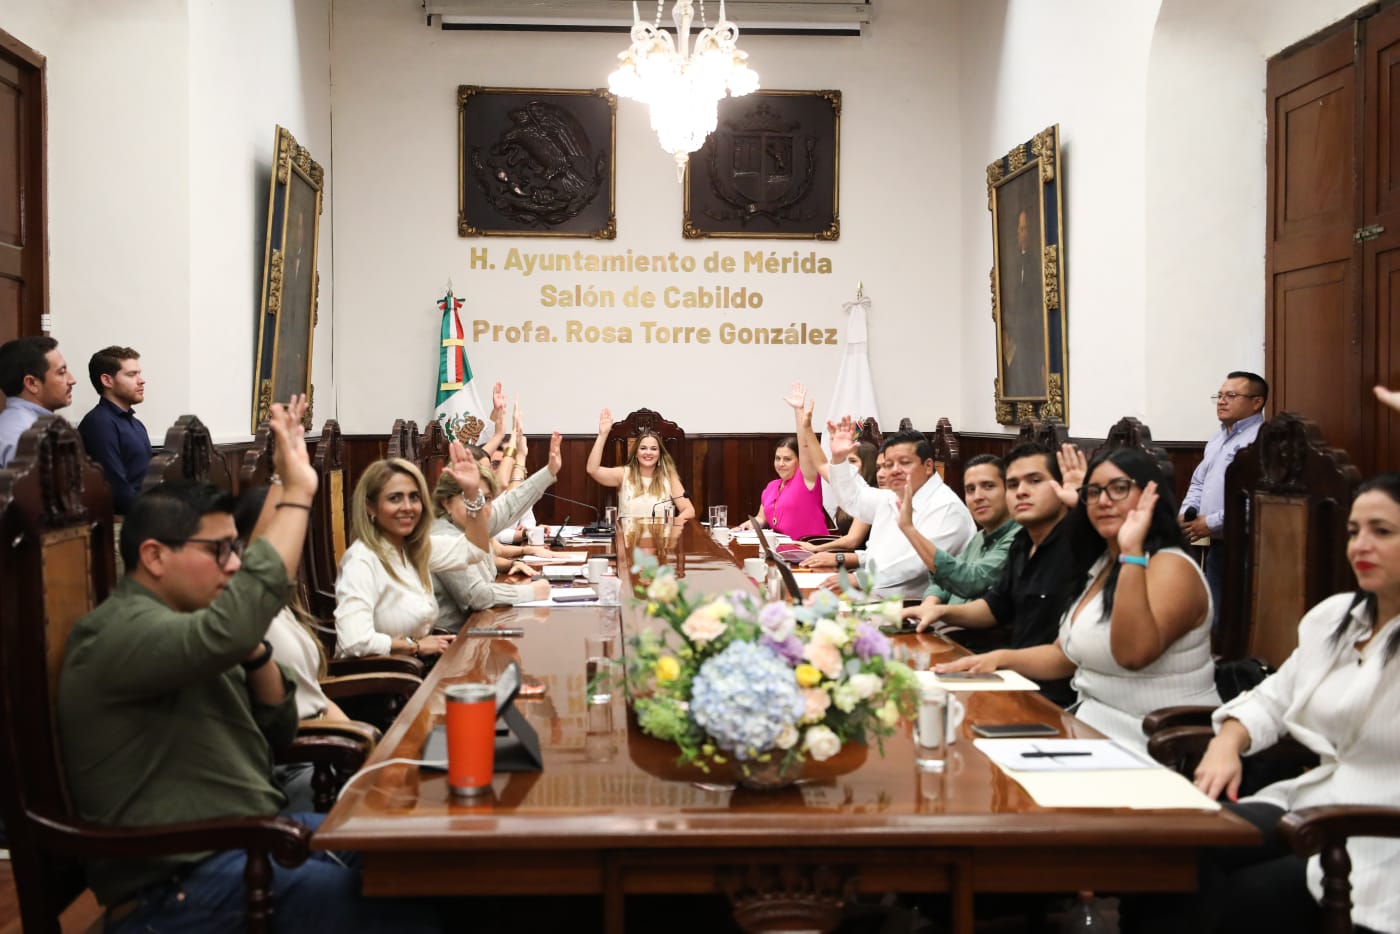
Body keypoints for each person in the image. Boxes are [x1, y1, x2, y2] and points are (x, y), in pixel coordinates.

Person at [57, 398, 440, 932]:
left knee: (424, 865)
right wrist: (297, 491)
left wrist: (255, 650)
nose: (234, 563)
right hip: (180, 879)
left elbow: (278, 726)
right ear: (153, 556)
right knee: (404, 913)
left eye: (237, 549)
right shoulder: (119, 633)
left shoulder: (193, 627)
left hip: (246, 837)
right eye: (219, 551)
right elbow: (245, 609)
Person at [1135, 474, 1400, 934]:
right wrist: (1226, 745)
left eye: (1382, 531)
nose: (1362, 545)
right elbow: (1273, 697)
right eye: (1355, 531)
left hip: (1379, 834)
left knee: (1238, 901)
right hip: (1312, 801)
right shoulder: (1336, 618)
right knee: (1169, 850)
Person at [937, 447, 1217, 751]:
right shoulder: (1102, 564)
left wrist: (1132, 553)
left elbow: (1133, 654)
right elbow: (1063, 656)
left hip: (1154, 742)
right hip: (1084, 726)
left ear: (1152, 495)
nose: (1104, 500)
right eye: (1094, 492)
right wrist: (997, 659)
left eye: (1119, 488)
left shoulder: (1170, 566)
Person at [913, 443, 1078, 707]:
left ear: (1062, 487)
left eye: (1034, 481)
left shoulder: (1077, 545)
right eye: (1013, 485)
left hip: (1055, 693)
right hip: (1015, 679)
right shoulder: (1024, 542)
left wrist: (999, 658)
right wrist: (941, 611)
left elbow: (1066, 658)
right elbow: (995, 607)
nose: (1021, 492)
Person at [334, 451, 488, 659]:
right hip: (386, 681)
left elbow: (475, 550)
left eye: (413, 497)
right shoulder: (361, 560)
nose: (407, 507)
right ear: (370, 507)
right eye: (395, 498)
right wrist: (413, 646)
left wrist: (471, 493)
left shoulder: (414, 549)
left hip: (418, 670)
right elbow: (354, 641)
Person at [804, 416, 975, 598]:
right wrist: (839, 460)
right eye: (889, 464)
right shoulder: (891, 497)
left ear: (928, 466)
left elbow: (918, 564)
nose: (894, 470)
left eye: (904, 462)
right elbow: (854, 498)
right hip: (874, 599)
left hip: (916, 612)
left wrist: (862, 578)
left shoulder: (946, 508)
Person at [431, 432, 568, 627]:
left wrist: (550, 471)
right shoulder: (443, 536)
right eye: (470, 498)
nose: (480, 507)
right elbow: (477, 596)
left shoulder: (474, 520)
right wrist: (532, 592)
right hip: (451, 644)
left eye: (486, 499)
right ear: (446, 502)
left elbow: (509, 505)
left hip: (479, 628)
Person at [1179, 370, 1267, 627]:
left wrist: (1212, 522)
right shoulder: (1218, 439)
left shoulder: (1262, 440)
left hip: (1248, 544)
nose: (1221, 401)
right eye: (1219, 395)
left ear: (1256, 402)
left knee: (1240, 620)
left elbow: (1258, 498)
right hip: (1218, 545)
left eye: (1231, 395)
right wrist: (1188, 512)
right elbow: (1198, 482)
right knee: (1216, 619)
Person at [901, 453, 1017, 621]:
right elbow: (945, 583)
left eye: (988, 486)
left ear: (1009, 490)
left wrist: (909, 529)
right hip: (940, 628)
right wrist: (929, 604)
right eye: (970, 489)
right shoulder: (979, 537)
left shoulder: (1018, 538)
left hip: (969, 639)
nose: (978, 497)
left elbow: (971, 580)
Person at [736, 383, 828, 539]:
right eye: (777, 458)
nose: (781, 463)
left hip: (813, 550)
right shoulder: (771, 487)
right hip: (782, 552)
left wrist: (798, 411)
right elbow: (761, 518)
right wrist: (748, 525)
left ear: (799, 462)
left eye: (787, 459)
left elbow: (805, 446)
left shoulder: (806, 478)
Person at [77, 345, 151, 515]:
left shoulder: (136, 424)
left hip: (143, 515)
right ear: (107, 381)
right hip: (122, 521)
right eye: (132, 375)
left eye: (139, 373)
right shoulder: (99, 424)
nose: (141, 380)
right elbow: (116, 488)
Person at [587, 408, 695, 520]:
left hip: (660, 535)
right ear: (636, 453)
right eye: (643, 448)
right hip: (629, 535)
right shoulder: (623, 474)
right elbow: (592, 470)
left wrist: (673, 525)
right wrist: (602, 434)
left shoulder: (668, 476)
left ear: (660, 454)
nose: (648, 453)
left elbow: (689, 510)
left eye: (653, 449)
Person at [0, 335, 77, 467]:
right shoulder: (22, 436)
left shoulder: (35, 423)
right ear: (31, 383)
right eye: (61, 372)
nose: (72, 380)